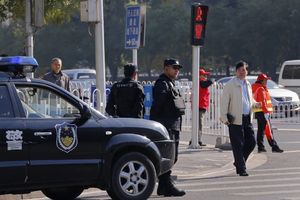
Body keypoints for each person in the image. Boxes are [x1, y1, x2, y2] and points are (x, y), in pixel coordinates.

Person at [150, 58, 186, 197]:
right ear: (166, 68)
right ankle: (167, 185)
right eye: (174, 67)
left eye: (178, 68)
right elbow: (158, 105)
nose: (177, 70)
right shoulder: (162, 84)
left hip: (173, 124)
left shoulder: (170, 83)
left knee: (172, 156)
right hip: (166, 125)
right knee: (169, 156)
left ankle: (163, 186)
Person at [220, 61, 260, 176]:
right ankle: (241, 169)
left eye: (245, 70)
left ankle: (239, 162)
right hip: (235, 119)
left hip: (247, 118)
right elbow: (224, 103)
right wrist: (224, 117)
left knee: (252, 142)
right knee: (238, 144)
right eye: (240, 70)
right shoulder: (230, 85)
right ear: (236, 71)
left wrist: (259, 107)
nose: (243, 72)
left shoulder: (247, 84)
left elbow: (249, 100)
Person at [252, 73, 284, 153]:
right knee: (268, 130)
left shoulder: (255, 87)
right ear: (261, 80)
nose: (266, 82)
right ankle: (274, 146)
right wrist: (266, 112)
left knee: (261, 130)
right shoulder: (261, 89)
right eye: (265, 80)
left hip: (258, 111)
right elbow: (263, 101)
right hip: (264, 112)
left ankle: (261, 147)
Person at [189, 68, 213, 146]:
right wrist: (211, 81)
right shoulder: (200, 83)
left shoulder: (198, 83)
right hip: (199, 106)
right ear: (199, 76)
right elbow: (208, 83)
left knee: (198, 124)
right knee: (199, 124)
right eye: (204, 75)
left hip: (200, 106)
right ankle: (196, 140)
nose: (206, 77)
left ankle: (196, 139)